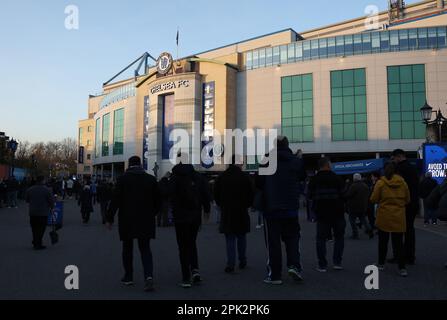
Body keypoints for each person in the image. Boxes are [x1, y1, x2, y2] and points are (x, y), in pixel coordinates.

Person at [106, 156, 161, 292]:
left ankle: (128, 276)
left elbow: (115, 200)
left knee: (127, 248)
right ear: (140, 165)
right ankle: (148, 276)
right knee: (145, 249)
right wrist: (152, 213)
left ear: (129, 165)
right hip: (145, 220)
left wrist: (109, 218)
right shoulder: (151, 179)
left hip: (127, 219)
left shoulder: (122, 179)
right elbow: (158, 201)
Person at [256, 136, 305, 284]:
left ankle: (275, 275)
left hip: (272, 208)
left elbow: (259, 183)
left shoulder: (266, 160)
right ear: (287, 145)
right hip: (290, 207)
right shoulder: (295, 161)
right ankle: (294, 266)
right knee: (292, 238)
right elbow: (302, 177)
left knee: (273, 242)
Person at [169, 153, 211, 288]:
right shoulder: (197, 176)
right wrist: (207, 210)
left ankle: (186, 277)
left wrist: (164, 180)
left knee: (182, 246)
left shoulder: (174, 176)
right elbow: (205, 194)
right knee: (192, 243)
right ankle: (195, 270)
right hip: (194, 216)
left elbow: (166, 193)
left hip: (180, 216)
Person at [214, 155, 254, 274]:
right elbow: (250, 194)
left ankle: (230, 264)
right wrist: (246, 205)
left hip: (227, 211)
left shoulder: (222, 177)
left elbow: (216, 194)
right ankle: (242, 260)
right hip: (241, 211)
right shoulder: (245, 177)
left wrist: (221, 204)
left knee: (230, 238)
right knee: (241, 236)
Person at [370, 162, 410, 277]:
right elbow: (407, 199)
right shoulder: (403, 183)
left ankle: (381, 263)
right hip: (399, 216)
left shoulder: (381, 183)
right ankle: (402, 268)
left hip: (384, 216)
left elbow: (373, 199)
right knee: (398, 244)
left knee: (383, 242)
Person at [308, 157, 346, 272]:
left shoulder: (314, 180)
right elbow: (343, 195)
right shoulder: (337, 178)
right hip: (337, 212)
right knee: (339, 237)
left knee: (321, 239)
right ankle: (337, 263)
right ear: (327, 165)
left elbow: (309, 196)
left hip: (321, 213)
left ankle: (322, 265)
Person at [391, 149, 420, 265]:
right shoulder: (412, 168)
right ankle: (410, 256)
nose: (393, 161)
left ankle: (399, 256)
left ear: (398, 156)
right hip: (413, 203)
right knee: (409, 230)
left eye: (393, 158)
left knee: (397, 231)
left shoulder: (399, 169)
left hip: (402, 204)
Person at [25, 176, 55, 250]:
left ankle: (36, 241)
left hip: (32, 212)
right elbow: (51, 201)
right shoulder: (47, 190)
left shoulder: (30, 189)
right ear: (43, 181)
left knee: (34, 228)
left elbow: (27, 200)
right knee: (41, 228)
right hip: (43, 212)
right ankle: (38, 243)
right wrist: (52, 207)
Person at [344, 173, 373, 239]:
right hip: (363, 206)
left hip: (353, 206)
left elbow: (348, 195)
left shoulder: (353, 186)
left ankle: (355, 234)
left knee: (352, 220)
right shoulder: (365, 186)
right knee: (363, 219)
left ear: (354, 178)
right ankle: (369, 230)